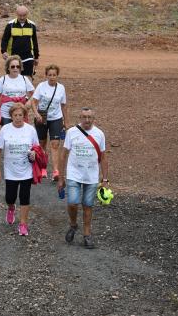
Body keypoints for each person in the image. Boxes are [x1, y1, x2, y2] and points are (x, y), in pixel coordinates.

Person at [58, 107, 109, 249]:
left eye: (90, 117)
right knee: (73, 202)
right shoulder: (71, 133)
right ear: (79, 118)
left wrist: (105, 180)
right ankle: (73, 224)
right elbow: (63, 155)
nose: (87, 120)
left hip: (91, 176)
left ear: (94, 119)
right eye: (84, 117)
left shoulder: (99, 134)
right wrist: (61, 177)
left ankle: (87, 235)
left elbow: (103, 157)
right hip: (74, 173)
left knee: (88, 205)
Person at [0, 103, 39, 236]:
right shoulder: (5, 129)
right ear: (11, 116)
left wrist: (35, 153)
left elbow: (37, 147)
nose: (18, 118)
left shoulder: (30, 130)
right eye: (15, 115)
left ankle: (23, 224)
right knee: (10, 197)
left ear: (24, 116)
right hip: (10, 170)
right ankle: (11, 207)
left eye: (21, 115)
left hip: (26, 169)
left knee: (25, 197)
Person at [31, 64, 68, 181]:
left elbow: (63, 105)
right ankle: (43, 168)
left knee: (55, 144)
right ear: (46, 76)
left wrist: (66, 121)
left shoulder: (61, 88)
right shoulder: (41, 86)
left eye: (54, 75)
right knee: (42, 144)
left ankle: (56, 171)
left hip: (56, 118)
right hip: (41, 118)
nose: (52, 77)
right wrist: (36, 114)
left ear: (57, 76)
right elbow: (33, 102)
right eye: (50, 75)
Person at [0, 55, 34, 126]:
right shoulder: (2, 80)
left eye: (17, 66)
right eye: (12, 66)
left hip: (20, 113)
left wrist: (29, 102)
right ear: (8, 68)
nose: (15, 68)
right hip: (6, 113)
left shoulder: (25, 79)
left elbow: (34, 94)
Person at [0, 5, 40, 78]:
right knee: (13, 78)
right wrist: (3, 51)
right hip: (13, 57)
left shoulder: (32, 25)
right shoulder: (10, 25)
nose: (22, 17)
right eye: (20, 15)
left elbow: (35, 42)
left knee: (27, 79)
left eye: (24, 15)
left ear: (27, 14)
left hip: (28, 57)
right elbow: (4, 40)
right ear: (16, 14)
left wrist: (36, 57)